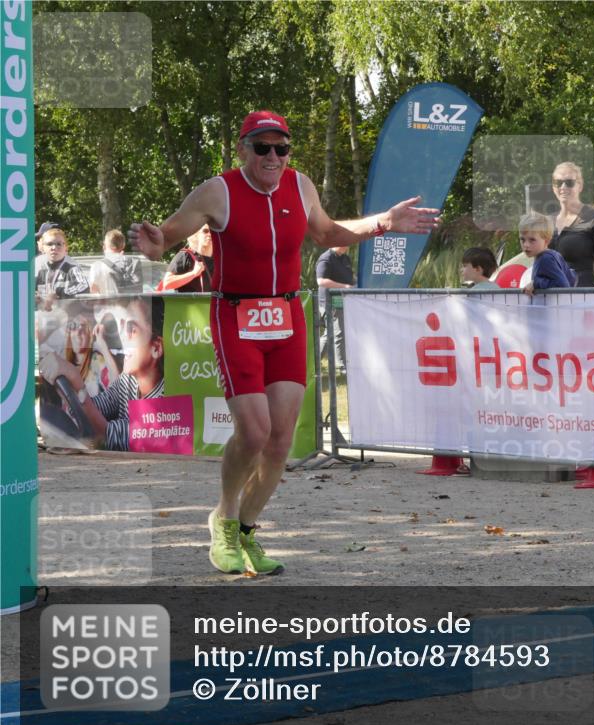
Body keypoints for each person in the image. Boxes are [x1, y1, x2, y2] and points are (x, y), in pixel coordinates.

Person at [128, 110, 439, 576]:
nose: (273, 157)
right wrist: (153, 245)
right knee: (252, 432)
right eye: (262, 147)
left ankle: (247, 532)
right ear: (242, 149)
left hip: (288, 317)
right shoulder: (219, 190)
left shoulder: (301, 186)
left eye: (281, 147)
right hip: (236, 315)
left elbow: (328, 232)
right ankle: (224, 518)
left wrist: (384, 222)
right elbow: (168, 236)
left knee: (280, 443)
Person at [38, 296, 164, 451]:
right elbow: (96, 408)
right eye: (122, 327)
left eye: (132, 329)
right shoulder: (128, 381)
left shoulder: (165, 399)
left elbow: (106, 436)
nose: (123, 336)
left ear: (156, 349)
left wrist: (76, 382)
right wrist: (68, 386)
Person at [549, 162, 594, 288]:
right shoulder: (547, 221)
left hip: (581, 298)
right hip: (550, 299)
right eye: (558, 182)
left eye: (569, 182)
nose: (563, 187)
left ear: (580, 186)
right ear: (553, 187)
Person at [315, 245, 356, 373]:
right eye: (343, 243)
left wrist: (356, 283)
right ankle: (340, 366)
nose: (347, 246)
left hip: (342, 300)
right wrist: (344, 286)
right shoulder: (326, 258)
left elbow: (350, 277)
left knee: (333, 333)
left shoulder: (345, 258)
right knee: (335, 332)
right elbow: (321, 281)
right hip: (330, 301)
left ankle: (315, 364)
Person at [521, 212, 576, 295]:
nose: (526, 245)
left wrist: (536, 283)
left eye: (532, 240)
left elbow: (563, 286)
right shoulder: (550, 255)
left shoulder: (545, 259)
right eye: (522, 239)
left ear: (546, 241)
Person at [35, 226, 89, 303]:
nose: (54, 247)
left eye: (59, 244)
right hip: (44, 313)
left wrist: (59, 292)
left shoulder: (72, 267)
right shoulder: (38, 268)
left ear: (66, 247)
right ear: (42, 248)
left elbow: (84, 286)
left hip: (66, 313)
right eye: (49, 244)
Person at [159, 224, 214, 292]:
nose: (210, 234)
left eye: (213, 232)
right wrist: (193, 273)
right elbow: (167, 283)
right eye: (205, 231)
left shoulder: (219, 259)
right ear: (196, 235)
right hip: (188, 302)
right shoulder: (185, 255)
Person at [88, 229, 143, 295]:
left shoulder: (97, 265)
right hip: (130, 304)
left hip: (107, 304)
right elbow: (139, 291)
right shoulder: (134, 262)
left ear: (104, 246)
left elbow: (94, 292)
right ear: (123, 246)